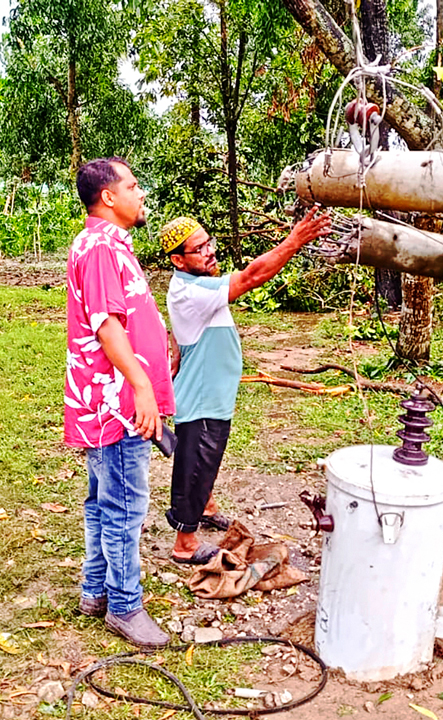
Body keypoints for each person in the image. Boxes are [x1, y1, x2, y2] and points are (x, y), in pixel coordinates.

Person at [160, 207, 332, 564]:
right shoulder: (192, 292)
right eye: (199, 249)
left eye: (209, 243)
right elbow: (253, 275)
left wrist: (174, 351)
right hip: (203, 397)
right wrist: (296, 239)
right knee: (197, 460)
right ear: (177, 259)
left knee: (208, 456)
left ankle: (204, 507)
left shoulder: (193, 284)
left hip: (213, 392)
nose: (210, 252)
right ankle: (185, 542)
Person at [65, 157, 175, 649]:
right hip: (116, 402)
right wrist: (142, 386)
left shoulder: (102, 244)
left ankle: (95, 591)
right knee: (125, 505)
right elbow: (106, 326)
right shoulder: (101, 248)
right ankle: (125, 606)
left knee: (102, 500)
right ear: (108, 196)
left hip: (107, 398)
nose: (141, 194)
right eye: (133, 186)